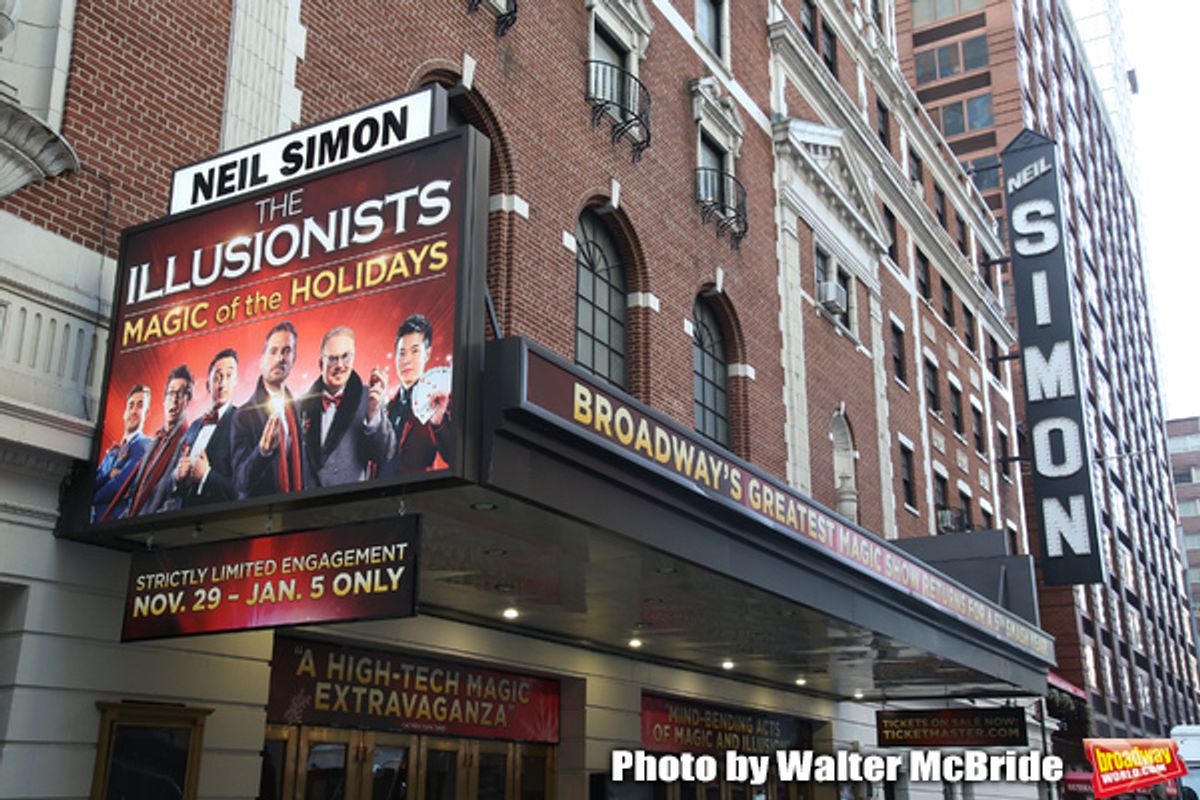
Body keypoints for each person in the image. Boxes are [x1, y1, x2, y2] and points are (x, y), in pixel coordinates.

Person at [299, 327, 394, 487]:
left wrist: (373, 413)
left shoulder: (369, 398)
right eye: (333, 359)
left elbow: (385, 454)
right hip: (308, 508)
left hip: (352, 507)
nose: (340, 365)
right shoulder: (300, 406)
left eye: (346, 357)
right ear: (321, 363)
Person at [231, 321, 308, 499]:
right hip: (261, 519)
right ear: (262, 360)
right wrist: (262, 452)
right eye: (273, 351)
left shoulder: (299, 410)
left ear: (294, 360)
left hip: (301, 513)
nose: (280, 358)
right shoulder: (242, 416)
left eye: (286, 351)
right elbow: (240, 483)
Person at [165, 348, 240, 509]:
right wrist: (176, 477)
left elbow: (244, 488)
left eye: (229, 375)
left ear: (236, 381)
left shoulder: (242, 422)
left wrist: (207, 476)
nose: (222, 383)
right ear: (208, 383)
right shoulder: (193, 426)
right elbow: (166, 486)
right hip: (181, 522)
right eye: (218, 376)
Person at [385, 314, 454, 474]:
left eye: (414, 351)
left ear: (427, 353)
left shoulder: (440, 403)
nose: (406, 360)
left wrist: (438, 424)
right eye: (401, 353)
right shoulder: (387, 407)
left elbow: (455, 455)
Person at [125, 365, 194, 517]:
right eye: (171, 393)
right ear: (164, 400)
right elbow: (136, 493)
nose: (174, 399)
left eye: (181, 393)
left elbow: (177, 500)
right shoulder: (155, 441)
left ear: (188, 400)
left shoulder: (188, 440)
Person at [91, 384, 152, 523]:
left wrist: (90, 498)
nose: (134, 411)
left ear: (147, 413)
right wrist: (108, 475)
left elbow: (118, 485)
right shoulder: (114, 451)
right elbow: (93, 481)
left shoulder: (143, 445)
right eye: (131, 405)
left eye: (140, 406)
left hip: (111, 520)